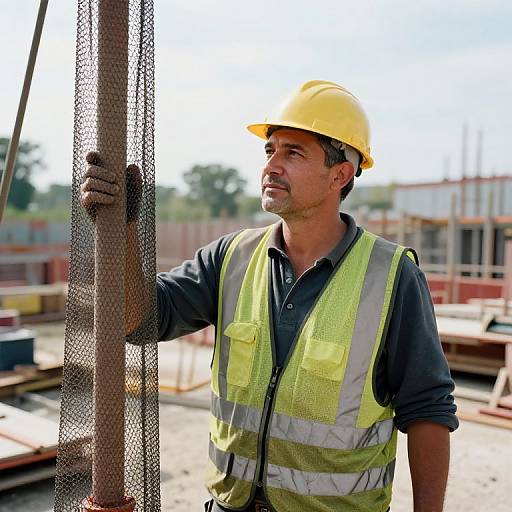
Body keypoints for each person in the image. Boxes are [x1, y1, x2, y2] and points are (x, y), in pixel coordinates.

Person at [80, 80, 458, 512]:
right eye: (269, 150)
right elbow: (138, 320)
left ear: (341, 173)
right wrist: (121, 229)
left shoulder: (392, 277)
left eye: (293, 153)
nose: (271, 166)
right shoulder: (230, 258)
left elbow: (428, 411)